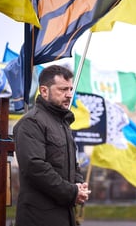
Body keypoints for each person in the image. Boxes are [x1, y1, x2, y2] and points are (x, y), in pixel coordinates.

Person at [13, 65, 90, 226]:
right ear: (44, 91)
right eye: (62, 89)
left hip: (64, 214)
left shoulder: (63, 124)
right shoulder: (31, 122)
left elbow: (72, 164)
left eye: (70, 89)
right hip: (39, 218)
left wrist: (79, 185)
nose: (69, 95)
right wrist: (71, 192)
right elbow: (35, 167)